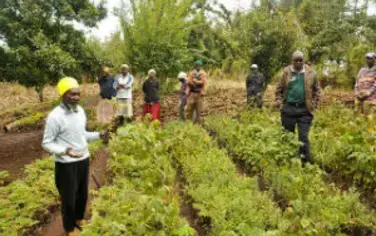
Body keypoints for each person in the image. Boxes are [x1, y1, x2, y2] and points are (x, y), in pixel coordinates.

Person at [42, 77, 107, 236]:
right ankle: (69, 229)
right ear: (63, 95)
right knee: (68, 199)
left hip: (83, 159)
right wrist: (65, 151)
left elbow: (82, 135)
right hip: (66, 164)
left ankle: (78, 220)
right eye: (72, 94)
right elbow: (46, 143)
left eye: (78, 94)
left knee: (82, 195)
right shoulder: (55, 116)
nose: (76, 97)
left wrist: (99, 135)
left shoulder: (80, 112)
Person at [275, 51, 321, 164]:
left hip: (304, 111)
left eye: (301, 60)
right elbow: (278, 90)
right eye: (296, 60)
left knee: (303, 138)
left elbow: (317, 91)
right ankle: (286, 161)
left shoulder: (311, 73)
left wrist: (314, 104)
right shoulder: (286, 72)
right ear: (292, 61)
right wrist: (281, 105)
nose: (299, 62)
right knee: (287, 137)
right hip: (288, 109)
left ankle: (305, 164)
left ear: (303, 60)